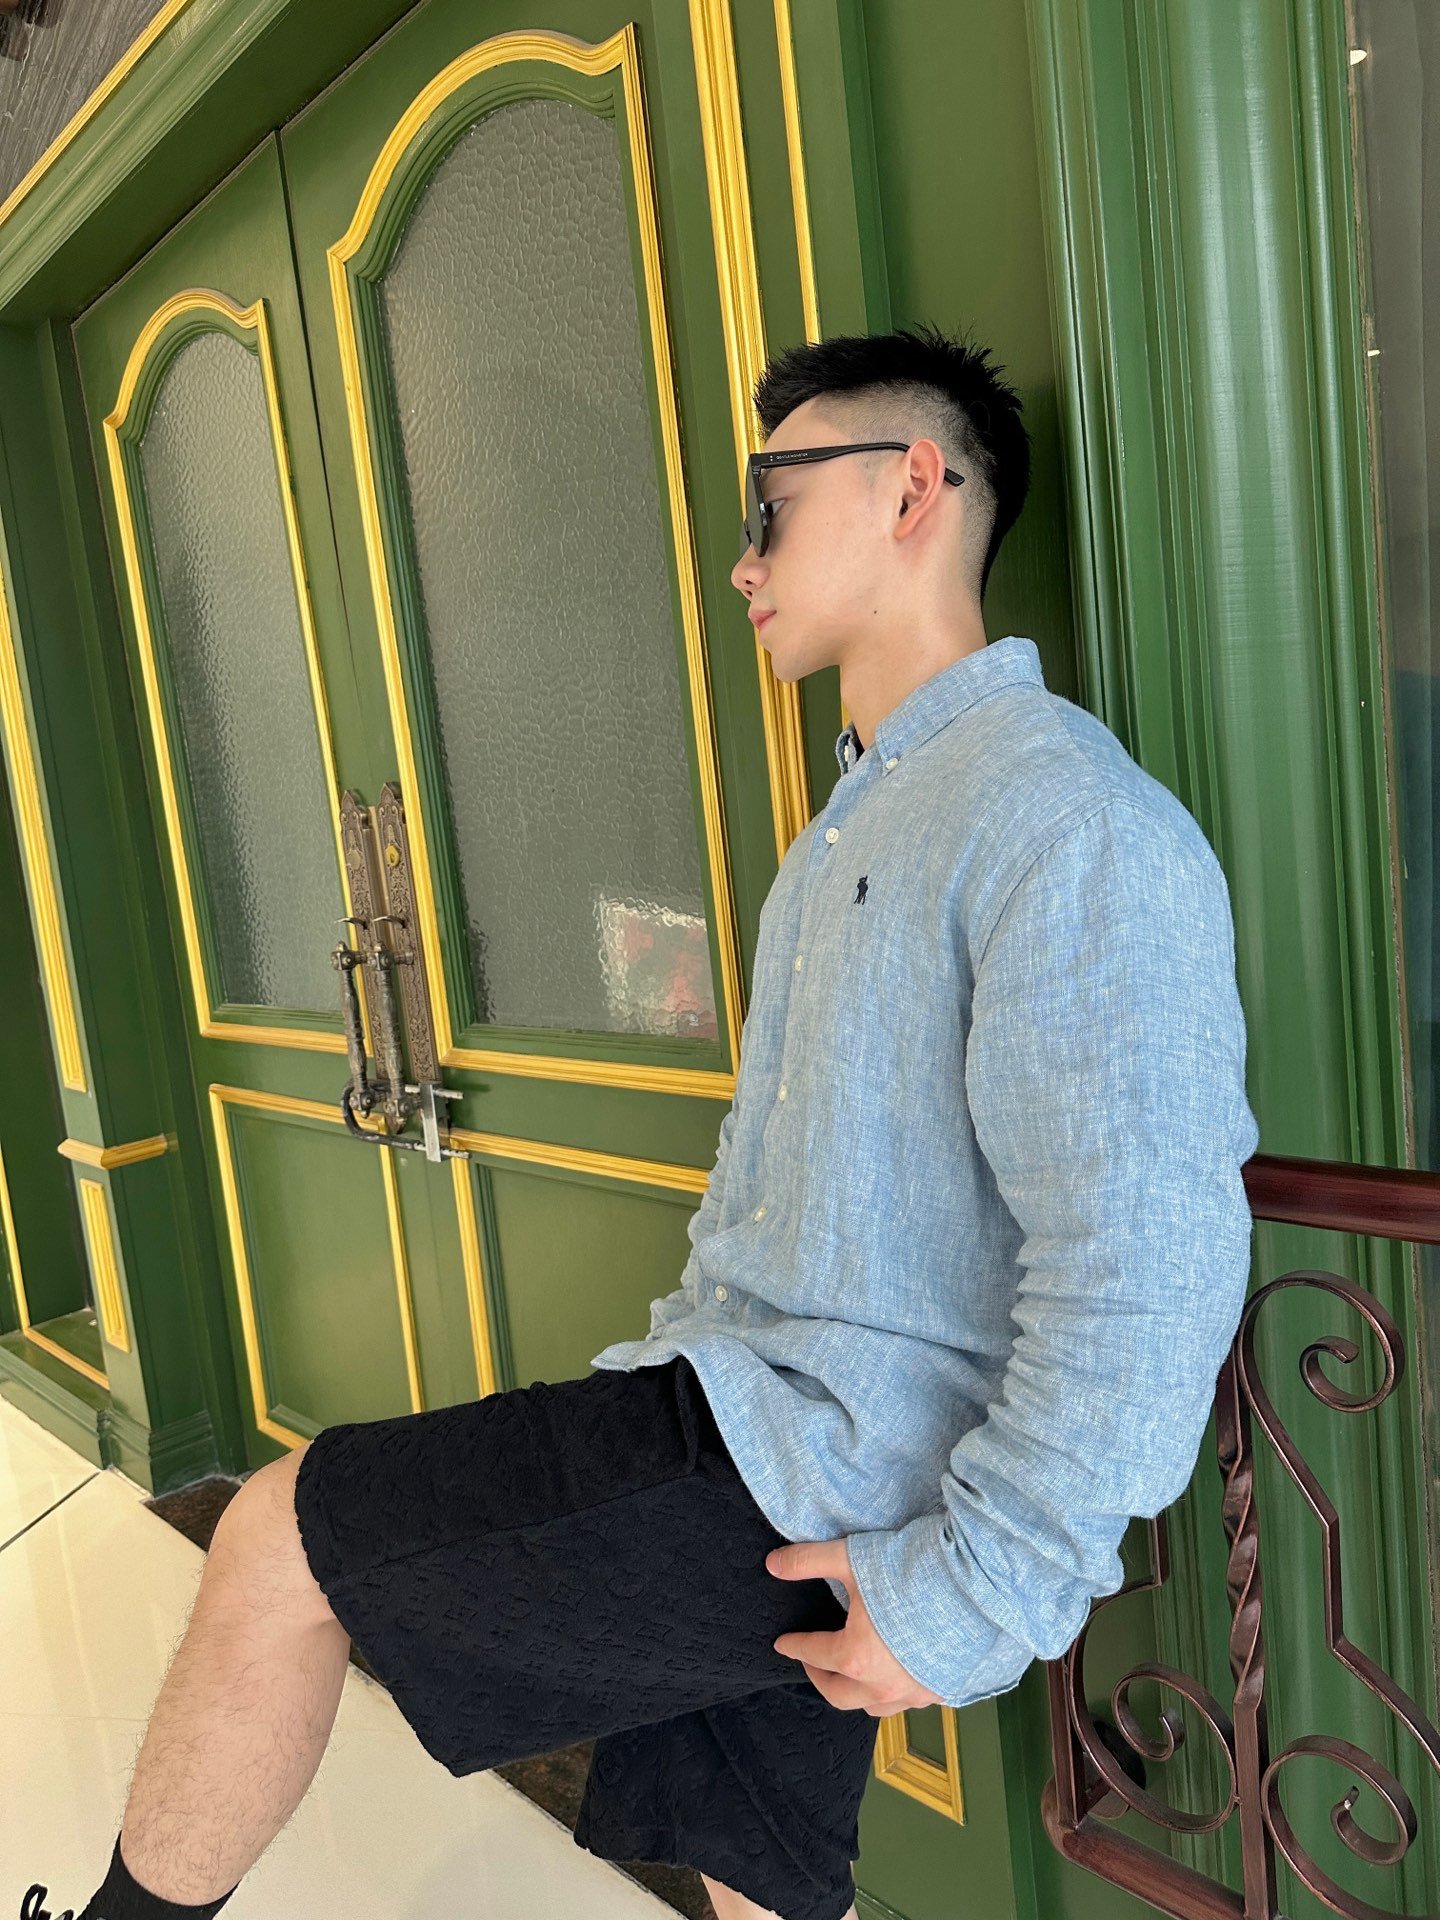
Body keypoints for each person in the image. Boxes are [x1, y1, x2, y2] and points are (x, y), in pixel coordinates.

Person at [28, 320, 1258, 1920]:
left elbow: (1148, 1262)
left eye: (769, 508)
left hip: (822, 1460)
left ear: (911, 489)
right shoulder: (853, 830)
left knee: (277, 1539)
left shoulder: (1066, 815)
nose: (742, 563)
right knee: (754, 1865)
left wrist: (979, 1596)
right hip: (750, 1407)